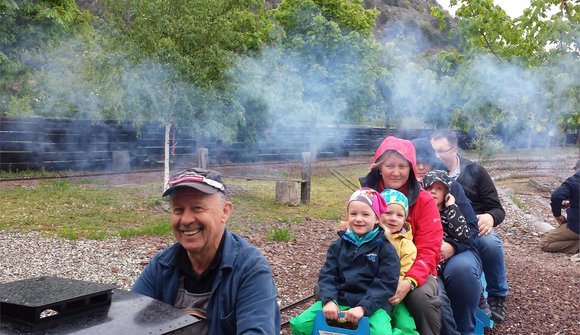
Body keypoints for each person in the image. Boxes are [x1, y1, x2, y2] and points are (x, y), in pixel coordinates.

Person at [132, 168, 281, 334]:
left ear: (225, 212)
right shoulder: (161, 266)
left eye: (197, 208)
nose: (186, 220)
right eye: (178, 210)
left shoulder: (250, 269)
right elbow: (130, 321)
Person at [359, 136, 443, 335]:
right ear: (379, 167)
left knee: (422, 299)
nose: (396, 172)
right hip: (368, 265)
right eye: (390, 165)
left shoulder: (424, 201)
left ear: (411, 168)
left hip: (410, 269)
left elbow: (430, 249)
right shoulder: (365, 195)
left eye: (402, 166)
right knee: (328, 290)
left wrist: (409, 281)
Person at [290, 188, 400, 335]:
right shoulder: (338, 245)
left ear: (377, 218)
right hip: (339, 301)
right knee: (300, 324)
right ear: (347, 216)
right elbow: (328, 275)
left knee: (380, 333)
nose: (358, 219)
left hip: (373, 306)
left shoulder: (385, 249)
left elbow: (385, 284)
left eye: (365, 214)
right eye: (353, 214)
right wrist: (329, 301)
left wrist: (363, 308)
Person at [430, 130, 509, 323]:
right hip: (440, 227)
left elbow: (497, 209)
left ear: (455, 149)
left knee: (490, 242)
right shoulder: (430, 173)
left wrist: (490, 217)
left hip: (473, 227)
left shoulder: (476, 172)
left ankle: (497, 295)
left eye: (441, 151)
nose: (436, 156)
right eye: (433, 151)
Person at [412, 137, 483, 335]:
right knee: (434, 292)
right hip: (420, 255)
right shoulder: (406, 189)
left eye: (425, 160)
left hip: (456, 248)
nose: (420, 166)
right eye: (415, 161)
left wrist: (452, 246)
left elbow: (470, 229)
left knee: (463, 271)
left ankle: (466, 328)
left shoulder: (450, 186)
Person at [380, 189, 419, 335]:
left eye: (399, 215)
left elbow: (404, 271)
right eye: (388, 213)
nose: (393, 218)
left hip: (393, 295)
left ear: (405, 219)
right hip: (366, 292)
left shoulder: (406, 245)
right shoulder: (369, 236)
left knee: (406, 326)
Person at [540, 160, 580, 254]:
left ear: (577, 168)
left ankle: (577, 246)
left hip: (576, 227)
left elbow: (556, 196)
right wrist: (572, 203)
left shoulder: (573, 181)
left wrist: (557, 214)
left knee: (545, 243)